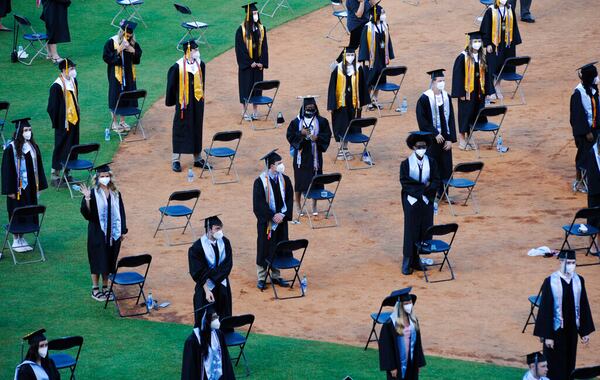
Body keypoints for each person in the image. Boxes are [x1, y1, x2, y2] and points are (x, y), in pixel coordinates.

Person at [533, 250, 595, 380]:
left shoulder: (579, 280)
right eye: (569, 262)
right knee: (554, 365)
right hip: (556, 331)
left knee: (569, 362)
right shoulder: (550, 281)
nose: (572, 265)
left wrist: (584, 331)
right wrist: (547, 336)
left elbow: (583, 305)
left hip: (572, 329)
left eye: (574, 263)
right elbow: (545, 309)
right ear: (561, 262)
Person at [80, 163, 128, 302]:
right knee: (96, 259)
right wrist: (87, 199)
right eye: (102, 176)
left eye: (107, 176)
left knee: (109, 259)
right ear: (97, 178)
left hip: (113, 233)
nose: (105, 178)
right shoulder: (93, 193)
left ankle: (106, 287)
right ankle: (95, 289)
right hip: (97, 232)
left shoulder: (116, 193)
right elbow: (88, 215)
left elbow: (121, 212)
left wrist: (122, 230)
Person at [1, 118, 47, 253]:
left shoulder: (33, 146)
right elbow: (6, 170)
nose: (28, 133)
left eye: (30, 130)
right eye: (25, 130)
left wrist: (39, 186)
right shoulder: (11, 148)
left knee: (28, 210)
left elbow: (38, 166)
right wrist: (9, 190)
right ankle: (16, 239)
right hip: (17, 188)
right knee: (16, 210)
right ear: (19, 132)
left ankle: (22, 238)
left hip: (31, 187)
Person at [399, 132, 440, 275]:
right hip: (412, 201)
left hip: (426, 201)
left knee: (424, 229)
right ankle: (407, 261)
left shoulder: (432, 162)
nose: (421, 149)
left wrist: (427, 189)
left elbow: (436, 180)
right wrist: (424, 187)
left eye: (423, 146)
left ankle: (417, 260)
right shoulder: (405, 164)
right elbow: (405, 183)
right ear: (413, 147)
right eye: (418, 146)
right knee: (411, 230)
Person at [252, 149, 293, 290]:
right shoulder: (260, 182)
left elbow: (289, 199)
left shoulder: (285, 180)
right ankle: (262, 277)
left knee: (279, 245)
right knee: (264, 247)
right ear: (271, 166)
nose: (281, 165)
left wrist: (282, 215)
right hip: (267, 223)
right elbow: (258, 204)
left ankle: (276, 275)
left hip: (280, 222)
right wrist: (272, 215)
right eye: (279, 163)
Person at [165, 39, 208, 173]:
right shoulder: (177, 67)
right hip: (183, 104)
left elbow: (202, 82)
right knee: (180, 128)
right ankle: (175, 160)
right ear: (189, 51)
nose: (197, 52)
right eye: (195, 50)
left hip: (197, 103)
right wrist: (173, 102)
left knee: (197, 127)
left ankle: (197, 158)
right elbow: (171, 86)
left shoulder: (201, 64)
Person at [286, 97, 332, 216]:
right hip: (301, 157)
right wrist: (301, 133)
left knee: (315, 180)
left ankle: (314, 204)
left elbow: (327, 134)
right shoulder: (296, 122)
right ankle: (298, 204)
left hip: (315, 155)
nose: (310, 109)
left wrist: (318, 138)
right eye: (307, 107)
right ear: (303, 108)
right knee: (300, 181)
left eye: (312, 107)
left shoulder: (321, 121)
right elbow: (290, 135)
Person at [416, 69, 456, 204]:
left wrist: (450, 138)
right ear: (433, 82)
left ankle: (444, 193)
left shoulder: (446, 97)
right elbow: (422, 121)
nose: (442, 83)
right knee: (432, 167)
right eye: (440, 81)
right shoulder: (424, 99)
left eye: (443, 81)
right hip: (431, 141)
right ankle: (431, 193)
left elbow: (450, 119)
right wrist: (434, 133)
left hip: (445, 140)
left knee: (446, 166)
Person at [451, 31, 495, 150]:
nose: (477, 44)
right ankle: (462, 139)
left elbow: (487, 74)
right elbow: (457, 76)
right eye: (475, 41)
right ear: (470, 43)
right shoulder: (462, 57)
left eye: (479, 41)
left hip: (479, 92)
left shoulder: (482, 57)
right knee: (465, 114)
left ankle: (470, 138)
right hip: (467, 92)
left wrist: (489, 92)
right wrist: (460, 93)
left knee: (476, 113)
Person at [188, 215, 233, 326]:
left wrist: (215, 276)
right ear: (209, 229)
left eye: (221, 228)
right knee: (207, 321)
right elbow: (198, 271)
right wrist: (207, 289)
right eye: (217, 229)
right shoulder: (197, 247)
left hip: (222, 284)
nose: (220, 231)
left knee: (223, 318)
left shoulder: (225, 242)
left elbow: (228, 264)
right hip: (206, 287)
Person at [327, 47, 369, 162]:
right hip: (341, 104)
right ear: (344, 56)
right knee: (341, 125)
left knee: (351, 125)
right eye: (348, 54)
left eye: (352, 54)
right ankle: (341, 149)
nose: (350, 57)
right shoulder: (338, 69)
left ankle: (345, 148)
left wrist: (362, 102)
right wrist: (332, 105)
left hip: (354, 104)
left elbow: (362, 87)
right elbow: (332, 88)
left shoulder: (358, 69)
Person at [103, 20, 142, 133]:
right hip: (116, 74)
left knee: (126, 94)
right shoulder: (112, 42)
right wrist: (119, 49)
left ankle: (122, 121)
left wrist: (132, 50)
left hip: (129, 74)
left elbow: (138, 57)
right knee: (115, 96)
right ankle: (114, 122)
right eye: (126, 34)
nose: (128, 37)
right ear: (121, 32)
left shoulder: (133, 42)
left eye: (130, 35)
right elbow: (106, 57)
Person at [378, 288, 426, 380]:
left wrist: (418, 363)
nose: (409, 305)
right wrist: (392, 367)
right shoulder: (390, 323)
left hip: (411, 362)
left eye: (410, 303)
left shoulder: (414, 321)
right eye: (406, 304)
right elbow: (386, 347)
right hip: (397, 363)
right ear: (400, 306)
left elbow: (418, 343)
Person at [47, 58, 80, 186]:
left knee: (72, 146)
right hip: (63, 123)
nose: (73, 71)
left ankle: (68, 172)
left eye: (73, 68)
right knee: (60, 146)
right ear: (64, 70)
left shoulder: (73, 81)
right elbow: (52, 107)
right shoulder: (57, 86)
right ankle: (55, 175)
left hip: (74, 121)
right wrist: (59, 123)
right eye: (71, 68)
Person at [181, 304, 236, 380]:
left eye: (217, 317)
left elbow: (225, 360)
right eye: (214, 318)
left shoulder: (218, 334)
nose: (217, 320)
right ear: (205, 321)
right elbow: (190, 370)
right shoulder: (192, 342)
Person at [235, 2, 269, 121]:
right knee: (245, 88)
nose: (256, 15)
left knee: (257, 88)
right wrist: (250, 63)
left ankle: (255, 112)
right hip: (247, 66)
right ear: (248, 15)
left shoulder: (261, 28)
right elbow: (240, 49)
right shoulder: (241, 30)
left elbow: (264, 47)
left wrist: (262, 63)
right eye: (253, 13)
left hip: (257, 64)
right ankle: (244, 112)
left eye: (256, 13)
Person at [480, 0, 522, 90]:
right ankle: (490, 90)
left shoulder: (510, 9)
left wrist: (513, 41)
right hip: (494, 44)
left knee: (503, 64)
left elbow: (514, 26)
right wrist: (487, 44)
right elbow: (486, 28)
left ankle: (497, 85)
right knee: (492, 65)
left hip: (507, 44)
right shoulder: (490, 11)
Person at [570, 62, 600, 192]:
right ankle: (580, 182)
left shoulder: (593, 89)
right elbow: (577, 116)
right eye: (595, 75)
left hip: (595, 129)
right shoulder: (578, 93)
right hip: (584, 132)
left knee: (596, 156)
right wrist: (586, 132)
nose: (597, 78)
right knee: (584, 156)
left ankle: (593, 180)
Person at [358, 4, 394, 109]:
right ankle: (368, 101)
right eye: (381, 13)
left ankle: (374, 99)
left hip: (382, 57)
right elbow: (363, 44)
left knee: (380, 79)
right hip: (371, 59)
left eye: (383, 12)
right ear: (375, 15)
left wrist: (388, 55)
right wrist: (365, 59)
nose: (383, 15)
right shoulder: (368, 28)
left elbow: (388, 42)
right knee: (369, 80)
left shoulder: (384, 26)